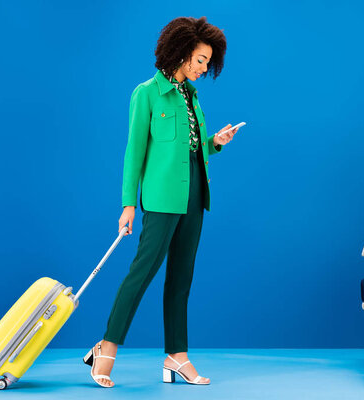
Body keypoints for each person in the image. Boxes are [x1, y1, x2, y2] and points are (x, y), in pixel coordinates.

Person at [82, 16, 238, 388]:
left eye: (207, 61)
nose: (204, 68)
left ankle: (176, 356)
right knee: (142, 272)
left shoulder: (191, 96)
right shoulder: (146, 93)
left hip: (196, 196)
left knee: (181, 278)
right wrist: (128, 204)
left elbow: (191, 151)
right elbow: (134, 153)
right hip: (161, 199)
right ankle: (106, 348)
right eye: (200, 59)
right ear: (182, 52)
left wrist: (216, 142)